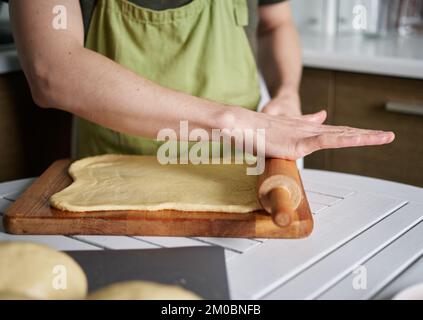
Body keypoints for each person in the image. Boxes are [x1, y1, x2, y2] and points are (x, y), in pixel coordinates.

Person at [8, 0, 394, 160]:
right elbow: (52, 71)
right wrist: (233, 121)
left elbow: (276, 24)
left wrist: (287, 93)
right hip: (116, 175)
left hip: (241, 171)